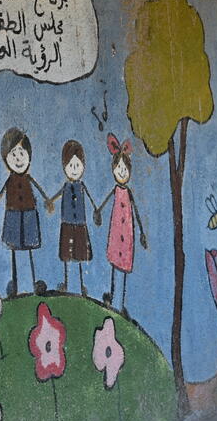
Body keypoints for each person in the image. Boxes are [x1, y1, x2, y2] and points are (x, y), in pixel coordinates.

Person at [0, 127, 52, 297]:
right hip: (13, 216)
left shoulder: (27, 178)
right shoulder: (10, 180)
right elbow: (0, 197)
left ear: (29, 155)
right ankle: (15, 283)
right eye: (13, 154)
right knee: (15, 250)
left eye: (21, 153)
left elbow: (40, 190)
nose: (18, 158)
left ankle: (33, 282)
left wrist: (48, 200)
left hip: (29, 213)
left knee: (29, 249)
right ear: (6, 158)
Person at [95, 134, 147, 316]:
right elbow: (106, 202)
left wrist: (141, 233)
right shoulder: (116, 190)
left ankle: (120, 301)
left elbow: (136, 212)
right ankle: (112, 295)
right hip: (117, 230)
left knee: (123, 264)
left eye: (124, 168)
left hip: (127, 232)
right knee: (115, 263)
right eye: (119, 168)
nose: (122, 172)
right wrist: (98, 211)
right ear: (114, 170)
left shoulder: (128, 193)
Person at [48, 140, 98, 295]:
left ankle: (82, 284)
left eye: (77, 165)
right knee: (67, 255)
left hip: (80, 223)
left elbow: (90, 199)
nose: (74, 169)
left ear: (83, 165)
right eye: (71, 166)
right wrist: (50, 201)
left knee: (80, 253)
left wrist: (96, 210)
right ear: (65, 167)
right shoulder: (66, 187)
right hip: (67, 223)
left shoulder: (81, 187)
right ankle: (67, 283)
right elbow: (57, 196)